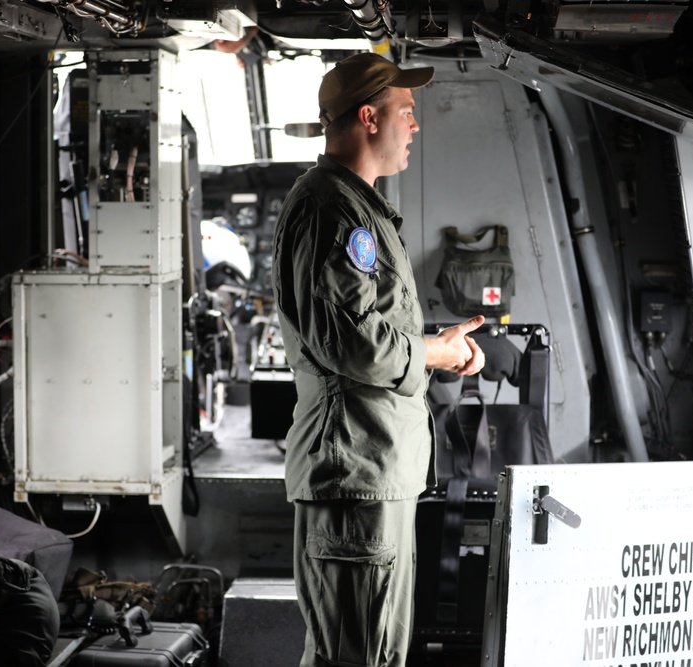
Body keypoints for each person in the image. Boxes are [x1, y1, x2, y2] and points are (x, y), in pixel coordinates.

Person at [271, 51, 487, 667]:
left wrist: (435, 347)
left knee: (373, 654)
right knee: (355, 656)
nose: (415, 126)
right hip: (353, 471)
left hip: (372, 471)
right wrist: (433, 352)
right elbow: (351, 342)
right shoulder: (332, 210)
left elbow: (366, 326)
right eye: (407, 112)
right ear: (369, 117)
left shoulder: (352, 205)